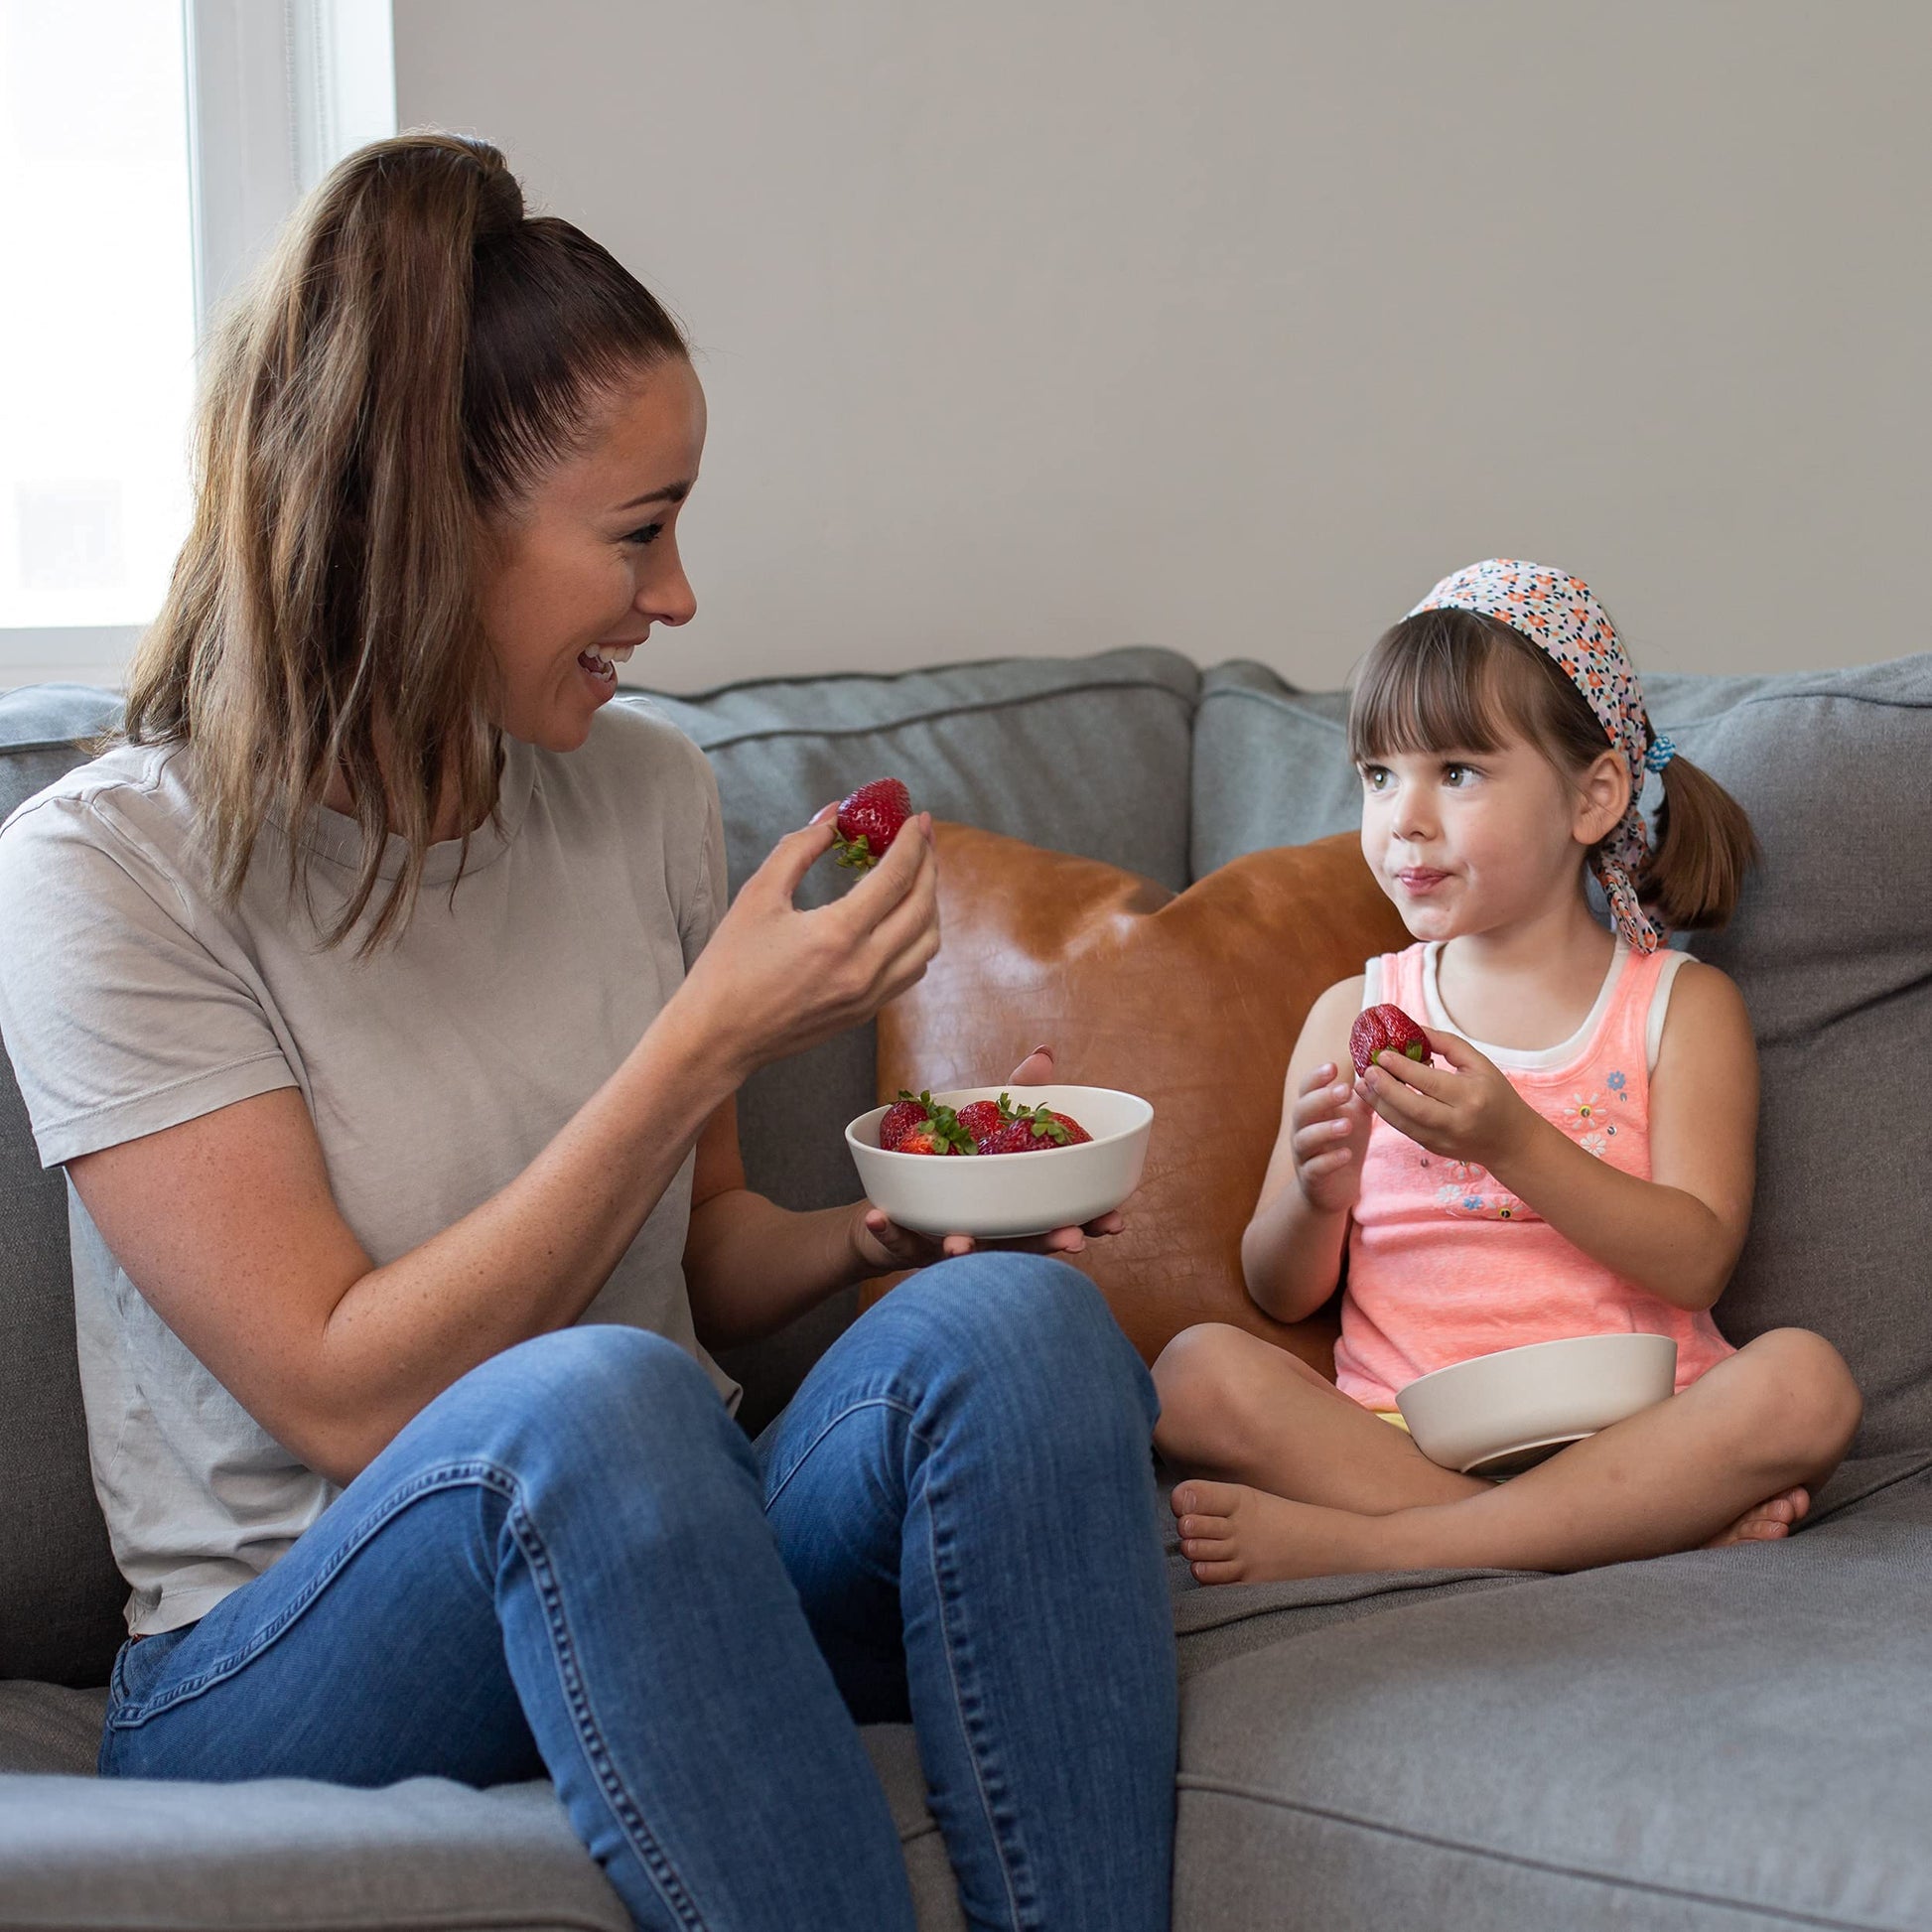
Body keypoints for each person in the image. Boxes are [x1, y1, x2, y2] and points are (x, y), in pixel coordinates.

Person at [0, 134, 1175, 1931]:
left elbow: (697, 1250)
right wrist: (699, 1041)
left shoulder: (640, 792)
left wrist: (883, 1229)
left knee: (1010, 1321)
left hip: (659, 1531)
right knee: (594, 1404)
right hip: (286, 1650)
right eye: (637, 532)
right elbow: (343, 1389)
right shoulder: (109, 871)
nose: (682, 595)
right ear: (425, 523)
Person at [1152, 559, 1863, 1585]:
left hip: (1636, 1424)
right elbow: (1281, 1287)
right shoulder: (1347, 1015)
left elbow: (1695, 1259)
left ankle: (1399, 1545)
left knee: (1804, 1382)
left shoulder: (1678, 1006)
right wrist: (1317, 1192)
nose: (1403, 816)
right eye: (1378, 774)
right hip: (1404, 1426)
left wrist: (1511, 1141)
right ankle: (1606, 1530)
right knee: (1191, 1372)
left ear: (1591, 794)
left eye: (1456, 771)